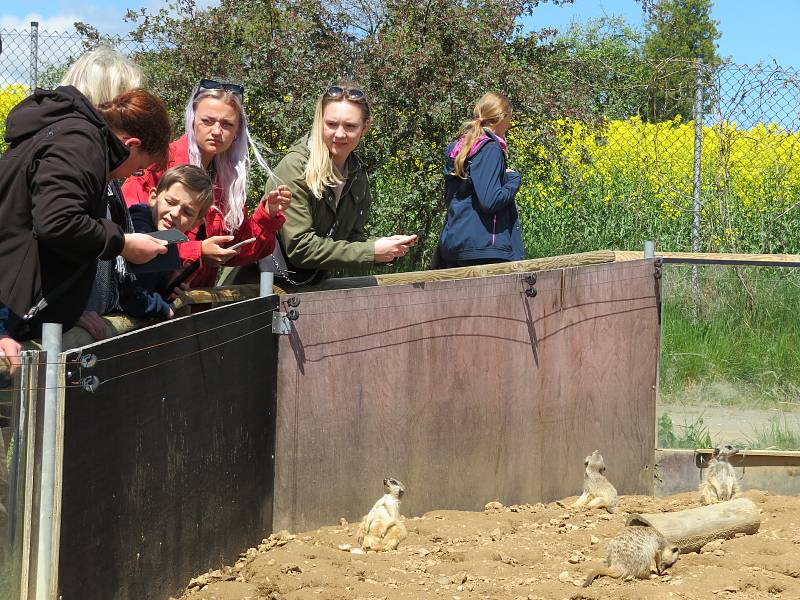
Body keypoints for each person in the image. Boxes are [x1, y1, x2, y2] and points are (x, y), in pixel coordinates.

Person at [0, 86, 172, 352]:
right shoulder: (81, 143)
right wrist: (123, 244)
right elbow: (58, 222)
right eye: (138, 168)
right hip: (6, 308)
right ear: (131, 144)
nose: (130, 176)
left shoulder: (76, 137)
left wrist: (67, 310)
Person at [121, 78, 291, 290]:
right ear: (192, 120)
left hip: (194, 303)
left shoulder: (229, 180)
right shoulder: (158, 164)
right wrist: (197, 250)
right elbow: (130, 237)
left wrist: (267, 215)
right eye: (207, 121)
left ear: (237, 130)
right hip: (144, 299)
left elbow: (237, 251)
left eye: (227, 124)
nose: (217, 131)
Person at [255, 83, 417, 286]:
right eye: (331, 124)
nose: (340, 134)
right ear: (319, 122)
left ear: (364, 127)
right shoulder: (295, 168)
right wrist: (371, 252)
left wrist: (384, 248)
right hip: (255, 293)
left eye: (350, 126)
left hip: (308, 291)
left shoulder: (357, 175)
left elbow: (349, 242)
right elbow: (300, 249)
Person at [60, 45, 148, 340]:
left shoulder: (102, 168)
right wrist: (63, 311)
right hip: (57, 334)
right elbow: (51, 235)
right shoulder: (66, 162)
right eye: (127, 104)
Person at [435, 92, 523, 268]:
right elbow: (490, 201)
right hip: (484, 249)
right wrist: (513, 179)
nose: (510, 124)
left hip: (455, 244)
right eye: (509, 119)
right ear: (501, 118)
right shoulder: (490, 149)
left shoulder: (459, 148)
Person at [121, 165, 214, 320]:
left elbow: (147, 287)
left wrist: (167, 289)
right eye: (170, 202)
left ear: (196, 224)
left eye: (187, 212)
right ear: (153, 197)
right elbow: (130, 297)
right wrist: (162, 308)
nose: (175, 213)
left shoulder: (168, 238)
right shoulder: (140, 228)